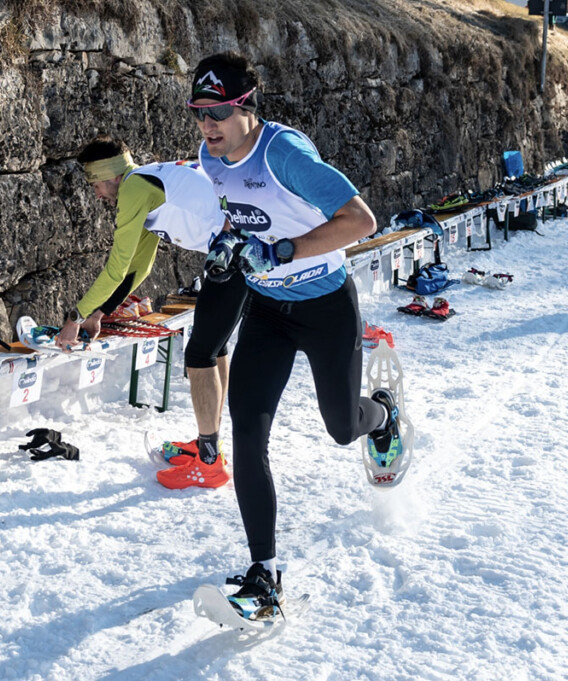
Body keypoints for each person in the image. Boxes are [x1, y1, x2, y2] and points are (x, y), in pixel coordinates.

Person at [188, 52, 403, 617]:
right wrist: (229, 241)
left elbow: (361, 221)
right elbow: (240, 212)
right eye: (199, 113)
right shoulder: (211, 159)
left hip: (327, 308)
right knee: (247, 434)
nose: (207, 125)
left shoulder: (283, 153)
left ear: (246, 106)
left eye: (218, 112)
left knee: (342, 428)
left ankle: (382, 412)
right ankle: (265, 573)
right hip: (267, 311)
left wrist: (284, 250)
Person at [60, 136, 249, 490]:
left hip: (237, 250)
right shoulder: (146, 181)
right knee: (214, 346)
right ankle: (210, 445)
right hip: (235, 248)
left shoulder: (134, 188)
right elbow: (140, 268)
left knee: (200, 353)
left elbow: (116, 268)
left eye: (95, 183)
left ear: (111, 174)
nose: (96, 194)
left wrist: (75, 317)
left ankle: (209, 462)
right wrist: (100, 313)